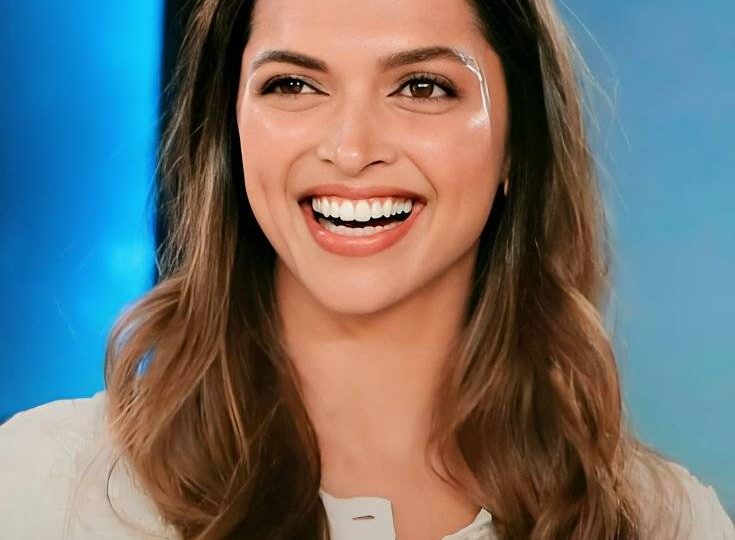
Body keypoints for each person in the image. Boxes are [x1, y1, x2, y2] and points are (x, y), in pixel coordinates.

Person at [1, 0, 733, 538]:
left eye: (421, 87)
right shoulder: (46, 487)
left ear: (517, 141)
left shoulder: (664, 521)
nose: (351, 150)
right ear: (230, 129)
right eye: (293, 85)